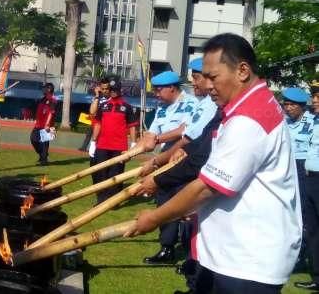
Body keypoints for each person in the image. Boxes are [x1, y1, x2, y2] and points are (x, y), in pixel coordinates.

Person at [126, 33, 302, 293]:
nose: (207, 85)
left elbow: (207, 187)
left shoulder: (249, 119)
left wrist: (153, 218)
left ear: (242, 71)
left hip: (246, 261)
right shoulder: (254, 104)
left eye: (213, 76)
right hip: (236, 253)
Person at [137, 70, 197, 264]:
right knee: (164, 202)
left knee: (187, 206)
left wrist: (157, 139)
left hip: (184, 160)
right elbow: (151, 133)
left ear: (172, 88)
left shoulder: (191, 104)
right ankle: (167, 248)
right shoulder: (162, 108)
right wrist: (140, 146)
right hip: (164, 162)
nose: (156, 93)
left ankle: (191, 256)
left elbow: (184, 131)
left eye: (159, 89)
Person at [88, 76, 137, 204]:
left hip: (119, 147)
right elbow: (97, 123)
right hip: (102, 146)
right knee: (101, 173)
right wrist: (93, 142)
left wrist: (133, 143)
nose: (113, 91)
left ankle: (113, 201)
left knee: (116, 174)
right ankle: (101, 199)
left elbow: (132, 126)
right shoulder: (103, 106)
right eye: (111, 89)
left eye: (115, 89)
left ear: (120, 90)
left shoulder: (127, 107)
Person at [295, 83, 319, 291]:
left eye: (318, 96)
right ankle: (317, 277)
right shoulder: (316, 121)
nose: (314, 100)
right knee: (312, 229)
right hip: (310, 179)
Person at [79, 79, 110, 151]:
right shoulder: (97, 98)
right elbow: (92, 111)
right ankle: (85, 147)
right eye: (102, 89)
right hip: (95, 120)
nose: (104, 91)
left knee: (98, 137)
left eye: (106, 89)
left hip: (104, 122)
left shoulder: (111, 99)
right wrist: (97, 95)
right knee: (89, 134)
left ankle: (94, 148)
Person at [30, 83, 57, 166]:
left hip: (46, 125)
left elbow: (51, 112)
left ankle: (43, 160)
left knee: (44, 143)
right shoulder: (43, 99)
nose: (42, 90)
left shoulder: (53, 99)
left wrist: (48, 124)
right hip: (38, 124)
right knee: (33, 139)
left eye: (44, 88)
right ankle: (42, 155)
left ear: (49, 89)